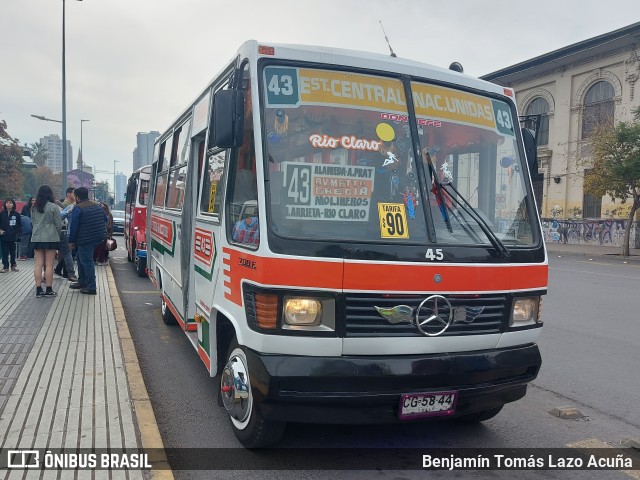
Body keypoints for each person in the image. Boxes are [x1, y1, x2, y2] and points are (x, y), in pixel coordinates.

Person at [69, 187, 107, 295]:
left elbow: (74, 227)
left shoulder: (78, 208)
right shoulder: (97, 205)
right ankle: (82, 281)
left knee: (87, 261)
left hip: (85, 239)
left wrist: (71, 241)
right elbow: (105, 218)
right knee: (80, 258)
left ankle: (91, 287)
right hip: (98, 237)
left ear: (77, 197)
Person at [30, 185, 62, 297]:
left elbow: (32, 222)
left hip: (37, 237)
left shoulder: (34, 207)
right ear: (50, 194)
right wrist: (56, 234)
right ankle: (49, 289)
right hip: (51, 237)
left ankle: (38, 290)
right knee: (49, 264)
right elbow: (59, 224)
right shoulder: (53, 207)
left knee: (38, 264)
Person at [53, 200, 78, 282]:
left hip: (69, 233)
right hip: (70, 234)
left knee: (67, 254)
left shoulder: (70, 207)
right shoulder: (70, 207)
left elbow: (60, 216)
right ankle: (69, 273)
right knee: (68, 253)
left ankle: (62, 271)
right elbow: (61, 216)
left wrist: (69, 210)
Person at [0, 198, 23, 272]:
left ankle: (13, 265)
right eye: (7, 202)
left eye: (10, 203)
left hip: (13, 236)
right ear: (5, 204)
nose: (8, 204)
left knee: (13, 252)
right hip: (4, 236)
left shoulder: (16, 214)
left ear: (13, 204)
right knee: (5, 252)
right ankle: (5, 266)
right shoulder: (1, 214)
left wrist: (18, 233)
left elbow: (19, 225)